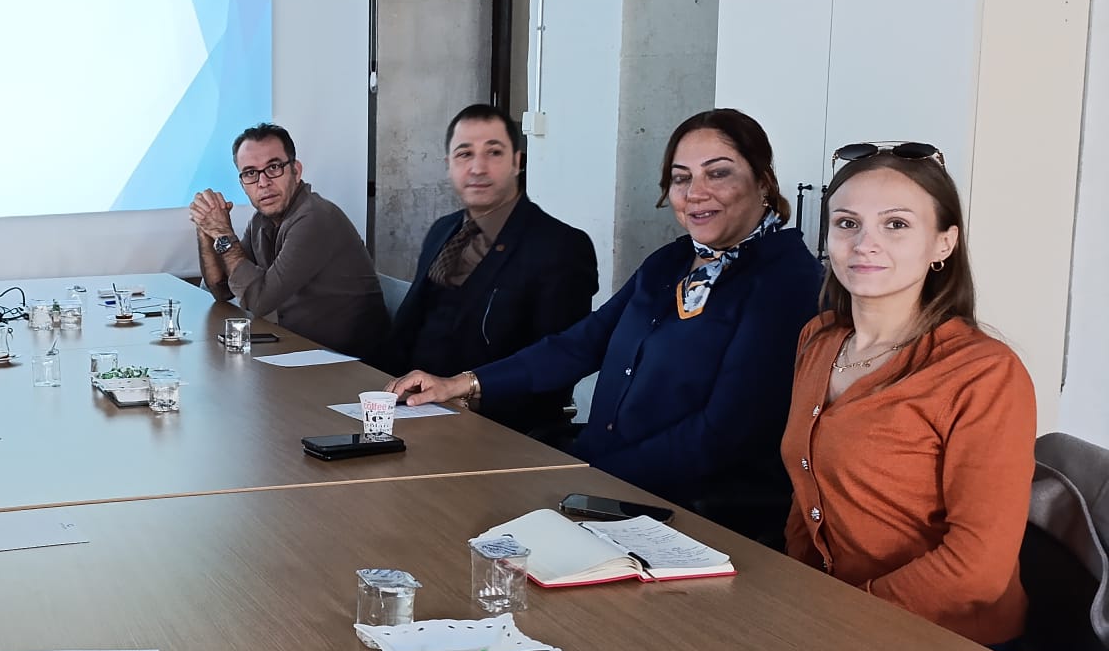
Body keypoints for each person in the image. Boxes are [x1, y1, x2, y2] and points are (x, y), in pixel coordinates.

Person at [387, 109, 819, 534]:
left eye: (718, 173)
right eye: (681, 177)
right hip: (603, 485)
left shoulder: (786, 282)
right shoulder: (670, 261)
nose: (695, 193)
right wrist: (462, 383)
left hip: (685, 514)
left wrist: (588, 476)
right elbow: (582, 343)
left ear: (763, 181)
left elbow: (722, 435)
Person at [782, 143, 1032, 646]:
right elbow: (805, 501)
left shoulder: (983, 372)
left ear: (943, 244)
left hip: (946, 644)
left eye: (895, 224)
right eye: (847, 223)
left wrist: (839, 618)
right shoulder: (820, 338)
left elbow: (978, 570)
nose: (864, 244)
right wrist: (795, 601)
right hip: (829, 622)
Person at [377, 104, 598, 434]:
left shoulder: (560, 246)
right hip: (412, 411)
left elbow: (559, 366)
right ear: (449, 165)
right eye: (464, 154)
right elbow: (409, 330)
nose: (478, 168)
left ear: (517, 162)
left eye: (494, 152)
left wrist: (467, 398)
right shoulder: (443, 230)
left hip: (496, 427)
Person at [190, 122, 387, 359]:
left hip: (353, 366)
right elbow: (222, 289)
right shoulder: (261, 221)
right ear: (242, 184)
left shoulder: (314, 218)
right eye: (251, 173)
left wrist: (223, 233)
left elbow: (259, 301)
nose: (263, 182)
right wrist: (205, 227)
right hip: (301, 352)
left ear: (296, 170)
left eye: (274, 167)